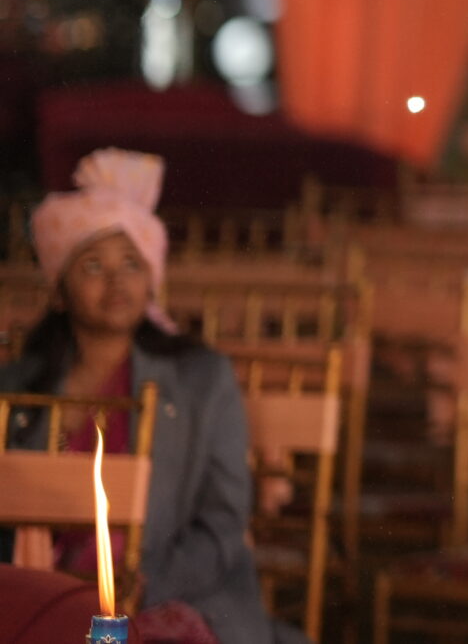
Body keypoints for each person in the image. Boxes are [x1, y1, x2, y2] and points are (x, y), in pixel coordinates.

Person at [1, 150, 305, 644]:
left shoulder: (202, 380)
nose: (117, 281)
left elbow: (223, 522)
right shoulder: (18, 389)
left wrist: (144, 585)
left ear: (152, 278)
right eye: (93, 265)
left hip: (177, 596)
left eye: (131, 263)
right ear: (58, 289)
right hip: (50, 597)